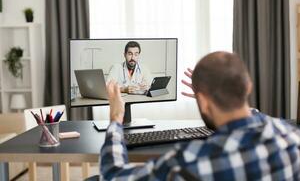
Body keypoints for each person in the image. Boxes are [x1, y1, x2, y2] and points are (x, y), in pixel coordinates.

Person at [100, 51, 300, 180]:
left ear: (202, 101)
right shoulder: (291, 138)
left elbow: (113, 175)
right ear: (248, 87)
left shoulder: (187, 161)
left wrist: (116, 119)